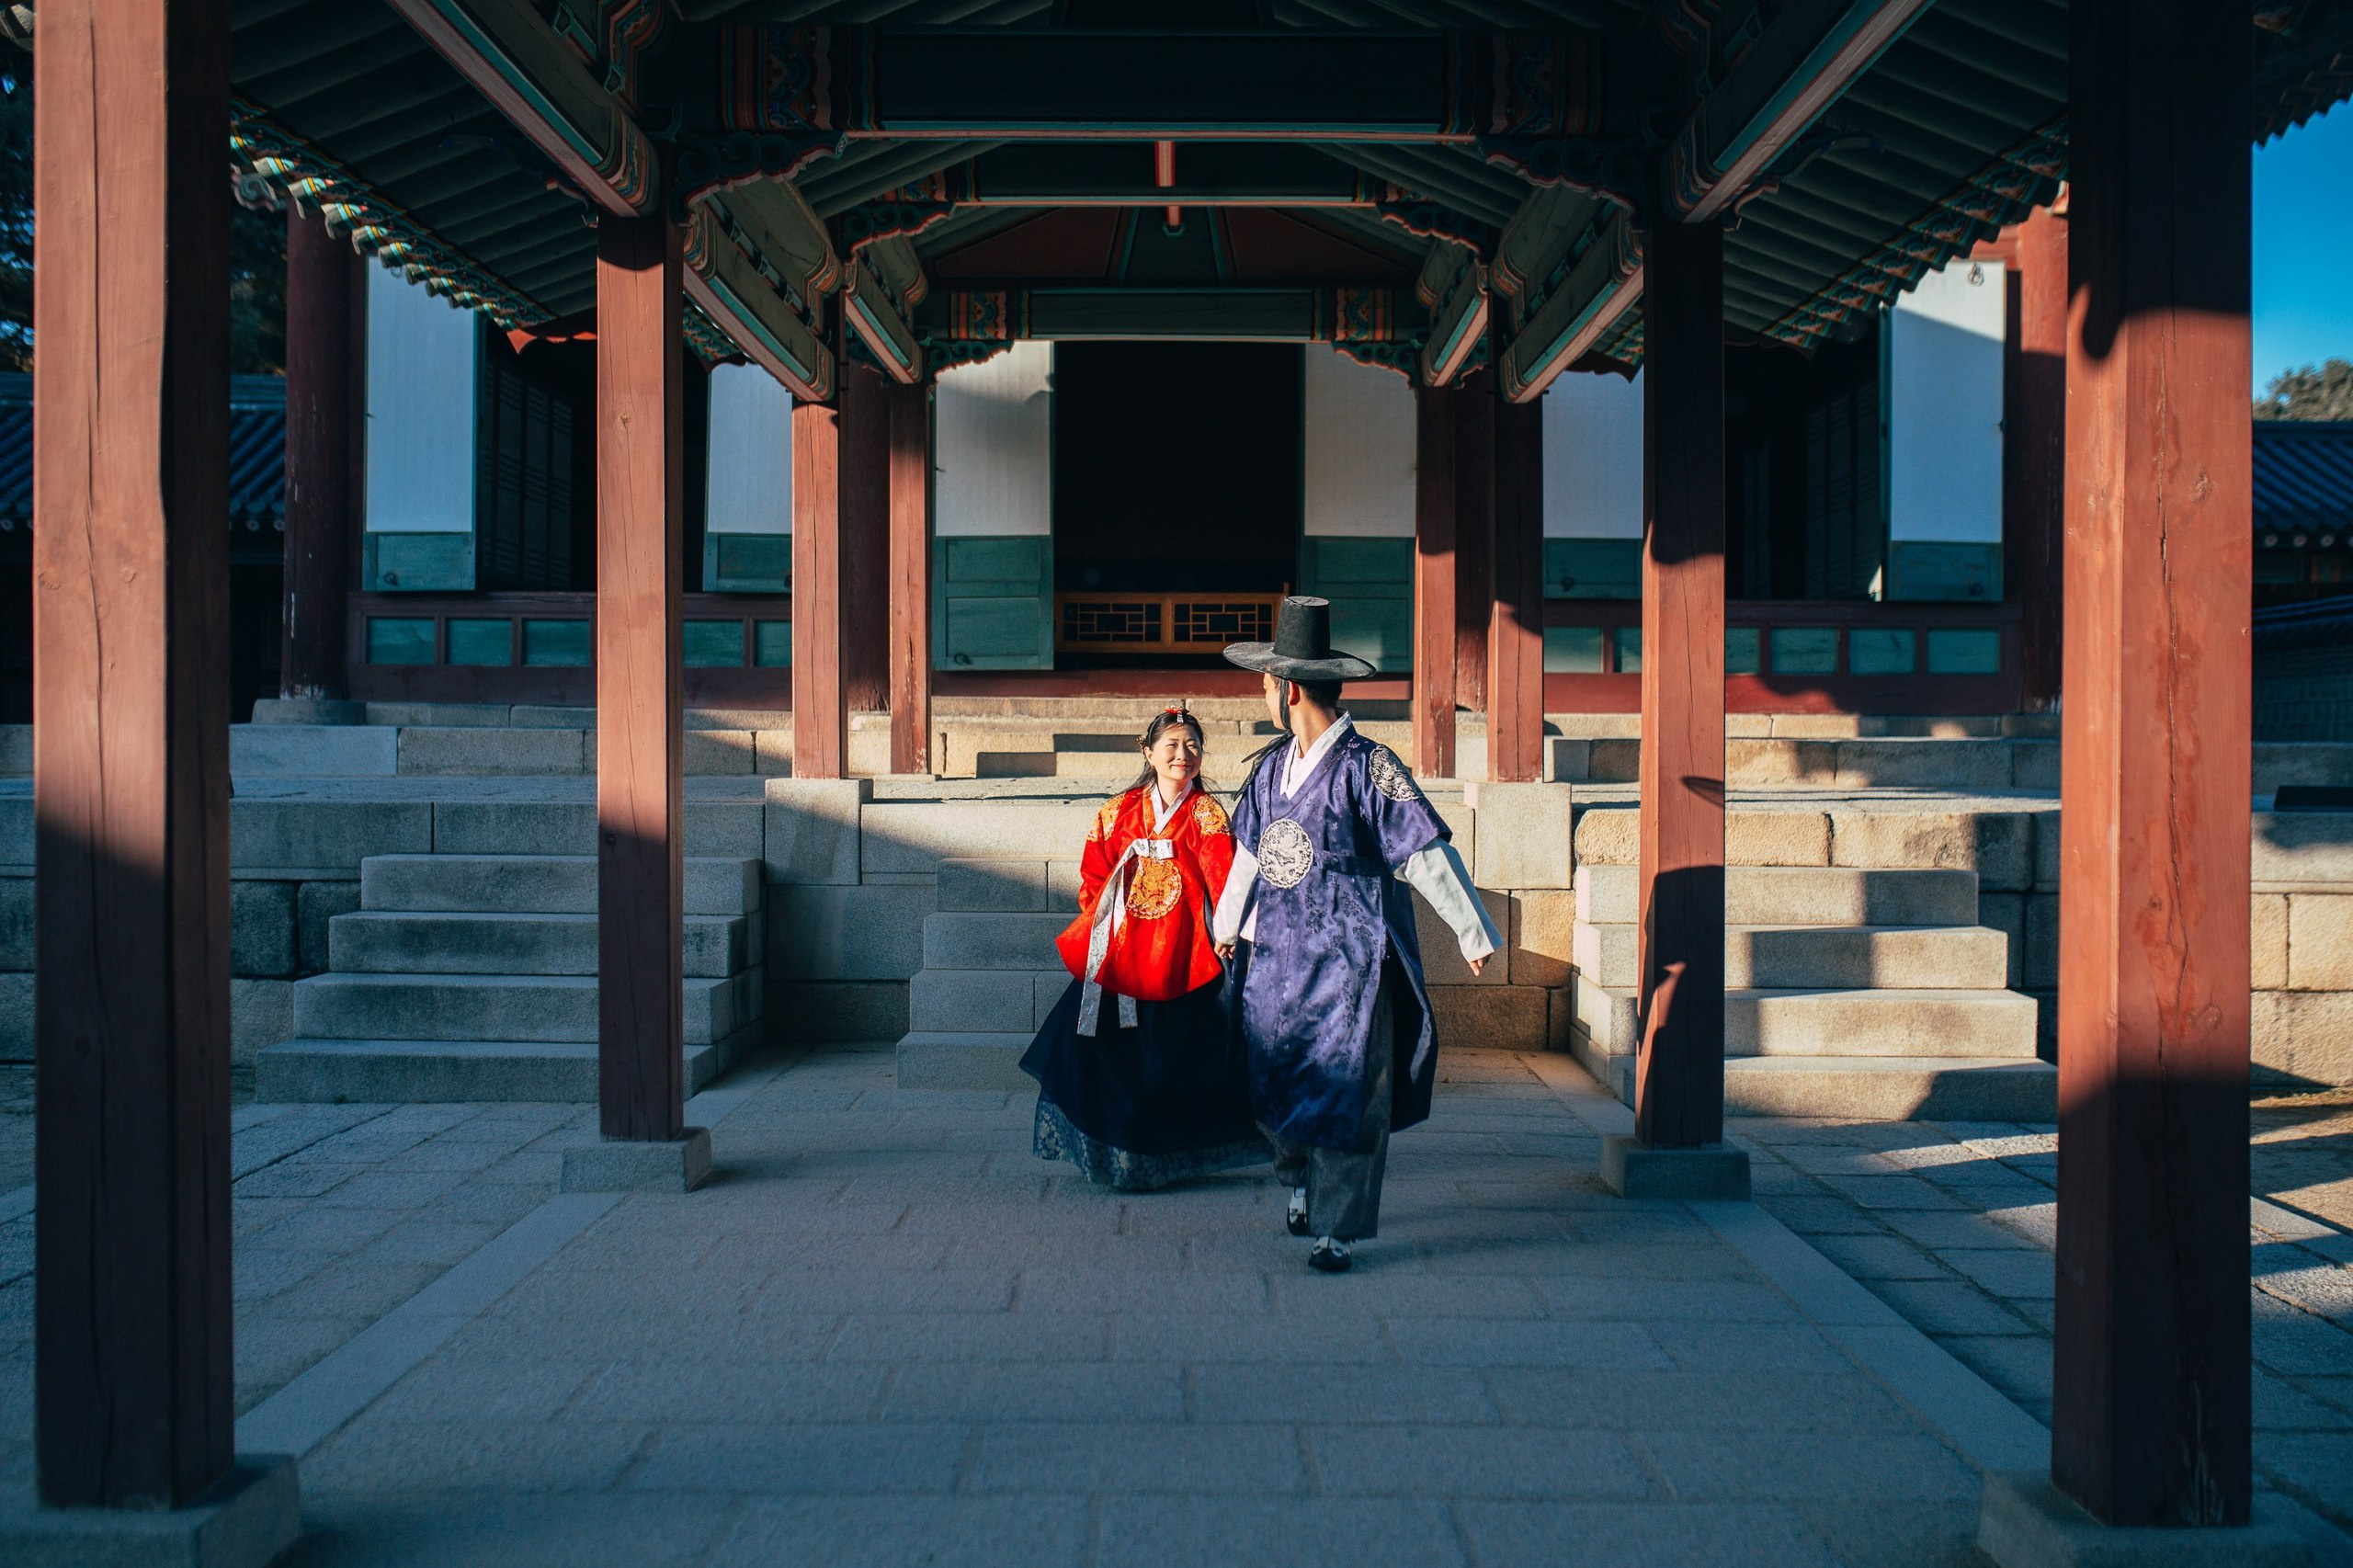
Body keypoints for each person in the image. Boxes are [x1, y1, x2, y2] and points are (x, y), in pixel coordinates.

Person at [1212, 597, 1499, 1273]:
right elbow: (1250, 857)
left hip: (1351, 963)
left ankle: (1335, 1227)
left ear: (1287, 689)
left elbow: (1422, 852)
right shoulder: (1269, 769)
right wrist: (1227, 926)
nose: (1264, 693)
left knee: (1348, 1091)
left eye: (1265, 682)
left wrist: (1472, 929)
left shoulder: (1370, 767)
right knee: (1274, 1079)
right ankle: (1297, 1180)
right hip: (1277, 960)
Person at [1020, 704, 1265, 1191]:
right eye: (1172, 745)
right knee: (1105, 1050)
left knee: (1173, 1057)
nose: (1183, 755)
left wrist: (1232, 930)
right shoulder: (1118, 811)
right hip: (1124, 947)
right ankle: (1114, 1154)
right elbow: (1093, 874)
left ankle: (1165, 1156)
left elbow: (1224, 875)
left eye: (1192, 745)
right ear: (1148, 751)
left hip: (1182, 950)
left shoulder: (1206, 813)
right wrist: (1100, 927)